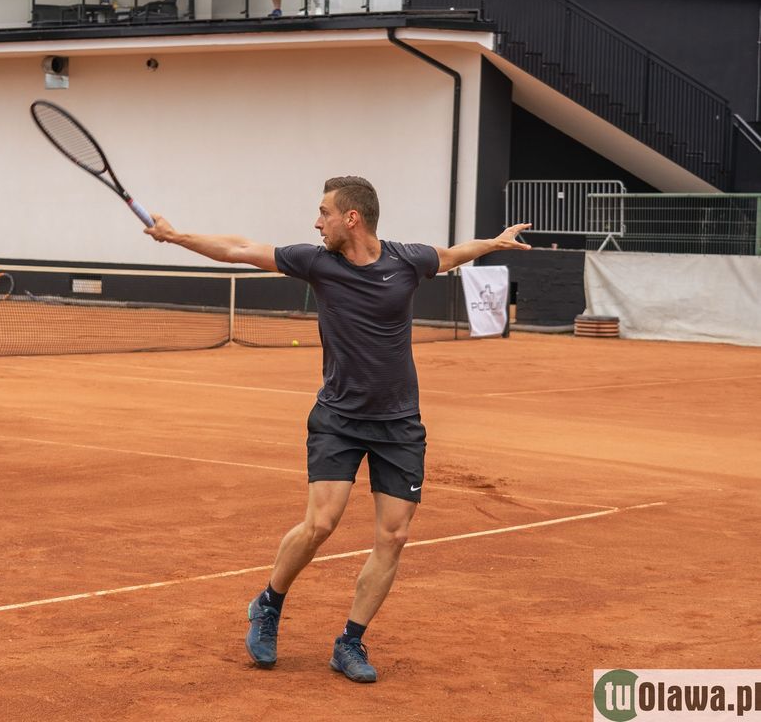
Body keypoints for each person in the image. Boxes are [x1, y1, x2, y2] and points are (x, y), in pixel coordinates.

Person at [145, 176, 531, 683]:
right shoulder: (316, 262)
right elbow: (240, 249)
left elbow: (454, 254)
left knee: (393, 536)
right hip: (339, 419)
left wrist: (495, 242)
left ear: (352, 218)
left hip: (399, 424)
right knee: (320, 525)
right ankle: (269, 603)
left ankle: (350, 642)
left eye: (323, 212)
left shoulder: (407, 260)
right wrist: (177, 237)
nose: (315, 221)